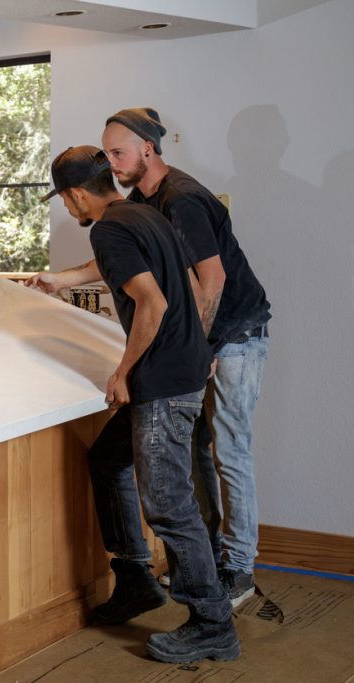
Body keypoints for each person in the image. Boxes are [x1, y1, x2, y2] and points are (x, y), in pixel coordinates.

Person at [29, 146, 238, 663]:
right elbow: (176, 280)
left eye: (66, 201)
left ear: (77, 194)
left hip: (162, 382)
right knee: (107, 459)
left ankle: (212, 622)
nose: (70, 210)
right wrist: (62, 280)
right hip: (183, 367)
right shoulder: (142, 212)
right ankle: (135, 577)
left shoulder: (109, 227)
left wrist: (123, 370)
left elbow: (153, 301)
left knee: (168, 504)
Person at [102, 108, 271, 607]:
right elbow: (130, 257)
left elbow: (212, 281)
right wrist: (62, 279)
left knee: (230, 451)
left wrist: (199, 349)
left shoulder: (183, 199)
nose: (111, 163)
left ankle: (239, 570)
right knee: (197, 451)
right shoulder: (141, 198)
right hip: (207, 340)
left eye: (119, 153)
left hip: (236, 335)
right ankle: (210, 562)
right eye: (108, 153)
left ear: (148, 150)